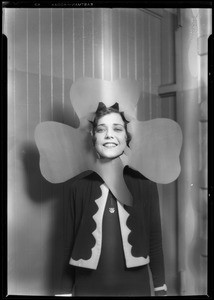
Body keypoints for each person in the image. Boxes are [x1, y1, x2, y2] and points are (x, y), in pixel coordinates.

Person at [63, 102, 167, 296]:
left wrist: (160, 287)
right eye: (101, 130)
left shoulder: (146, 185)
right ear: (93, 137)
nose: (109, 135)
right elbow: (66, 243)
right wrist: (63, 292)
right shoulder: (77, 188)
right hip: (88, 288)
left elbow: (155, 241)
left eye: (117, 129)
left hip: (136, 287)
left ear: (126, 137)